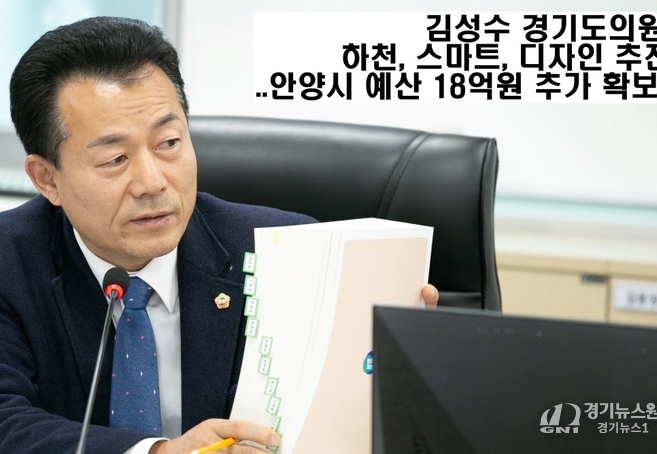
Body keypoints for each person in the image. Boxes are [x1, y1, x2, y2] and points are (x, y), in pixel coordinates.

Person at [0, 16, 438, 454]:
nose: (152, 182)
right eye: (115, 159)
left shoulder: (290, 255)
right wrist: (159, 452)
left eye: (169, 143)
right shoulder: (9, 263)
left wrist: (399, 368)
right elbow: (7, 421)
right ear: (47, 179)